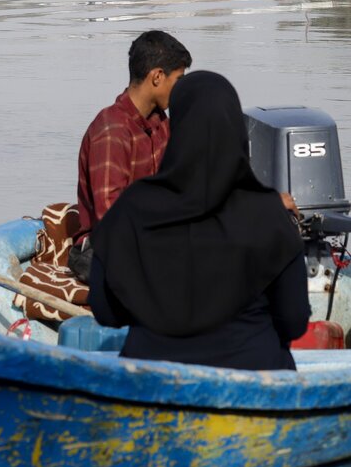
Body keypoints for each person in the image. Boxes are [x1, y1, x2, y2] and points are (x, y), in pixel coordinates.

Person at [89, 71, 310, 370]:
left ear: (177, 128)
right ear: (237, 131)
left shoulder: (130, 210)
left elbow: (106, 312)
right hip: (256, 385)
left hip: (149, 382)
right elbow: (294, 322)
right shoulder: (270, 216)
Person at [69, 31, 191, 282]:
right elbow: (112, 217)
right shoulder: (112, 131)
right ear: (157, 77)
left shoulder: (160, 123)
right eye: (178, 80)